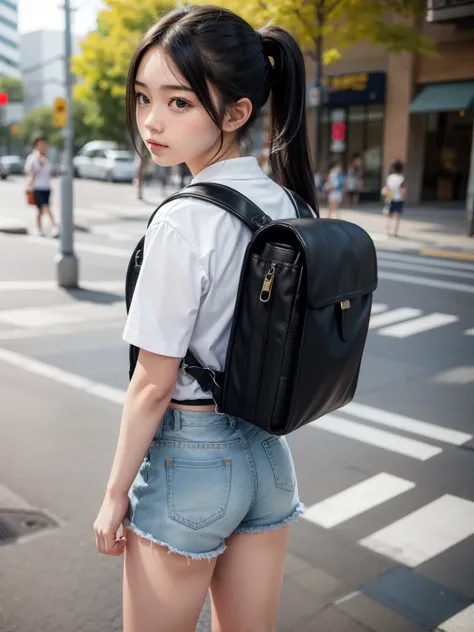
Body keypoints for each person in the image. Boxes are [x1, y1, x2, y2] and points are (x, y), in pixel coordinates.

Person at [93, 6, 317, 632]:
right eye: (143, 98)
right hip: (268, 456)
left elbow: (152, 384)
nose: (151, 121)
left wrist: (114, 497)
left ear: (238, 112)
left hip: (190, 462)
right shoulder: (289, 200)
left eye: (180, 103)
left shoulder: (182, 220)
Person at [24, 136, 59, 238]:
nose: (44, 146)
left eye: (45, 144)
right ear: (37, 145)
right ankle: (53, 227)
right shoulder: (32, 158)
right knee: (46, 207)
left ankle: (38, 228)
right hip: (37, 187)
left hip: (47, 187)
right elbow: (27, 171)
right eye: (42, 144)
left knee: (40, 210)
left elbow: (51, 172)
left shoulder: (48, 158)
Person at [383, 159, 406, 237]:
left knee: (388, 216)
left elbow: (387, 188)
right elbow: (403, 190)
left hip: (390, 198)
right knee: (397, 217)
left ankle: (387, 231)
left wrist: (387, 197)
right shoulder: (401, 178)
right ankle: (395, 232)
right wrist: (403, 197)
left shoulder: (390, 177)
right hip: (398, 199)